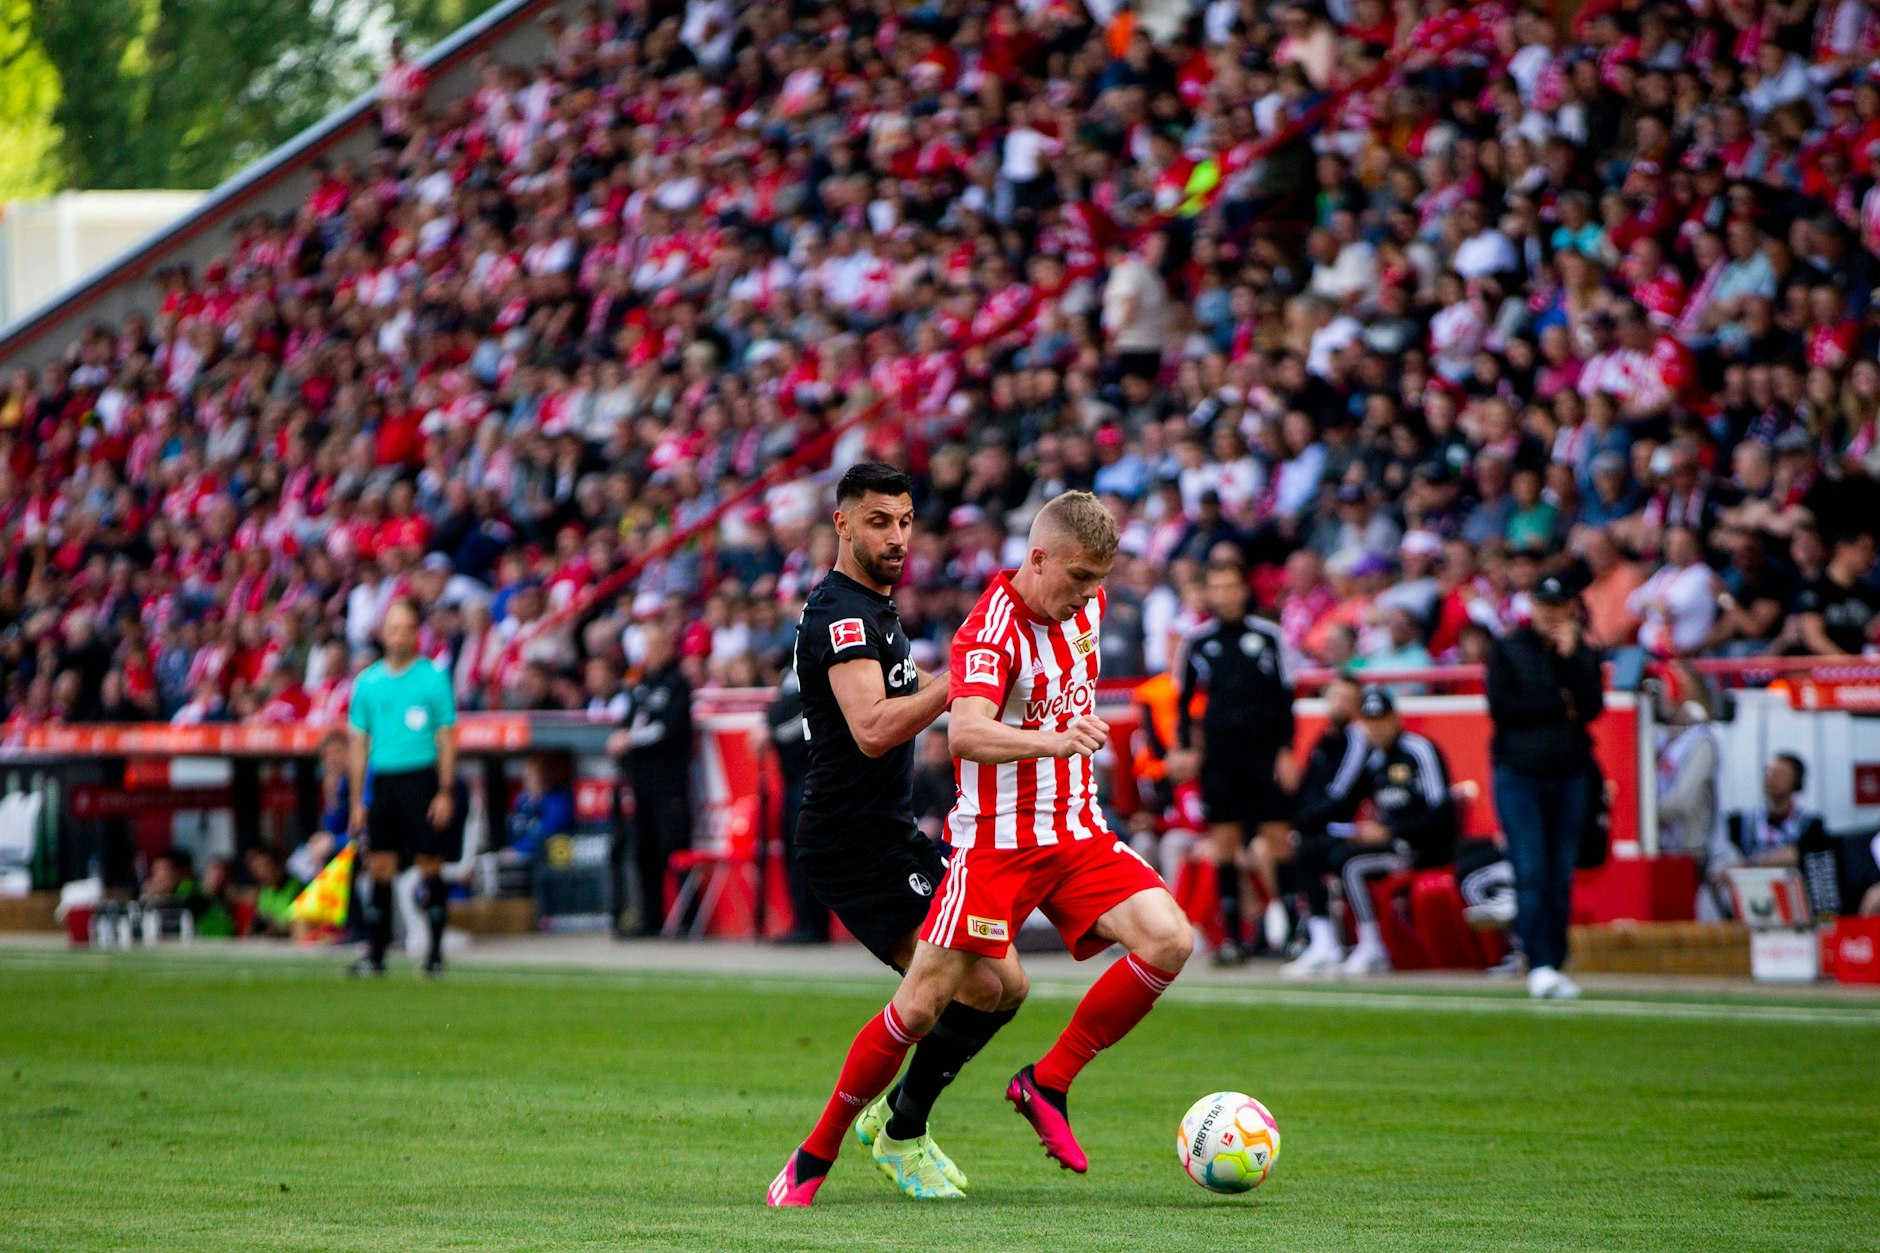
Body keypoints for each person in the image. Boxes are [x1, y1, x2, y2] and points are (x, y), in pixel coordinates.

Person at [769, 492, 1193, 1208]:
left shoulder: (1080, 608)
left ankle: (1047, 1081)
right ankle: (814, 1155)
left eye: (1100, 578)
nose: (1092, 594)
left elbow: (1065, 675)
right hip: (998, 846)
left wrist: (1066, 735)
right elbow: (964, 733)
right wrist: (1050, 739)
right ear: (1037, 558)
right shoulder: (988, 634)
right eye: (1081, 576)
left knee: (1169, 940)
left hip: (1077, 830)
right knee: (927, 1001)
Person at [787, 461, 1027, 1199]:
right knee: (965, 988)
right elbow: (871, 729)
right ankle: (894, 1135)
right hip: (851, 843)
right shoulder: (843, 615)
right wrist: (957, 682)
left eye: (905, 520)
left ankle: (898, 1118)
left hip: (890, 833)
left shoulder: (878, 607)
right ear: (843, 524)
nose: (896, 537)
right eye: (879, 522)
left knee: (1008, 983)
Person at [1486, 572, 1604, 1000]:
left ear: (1571, 608)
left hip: (1569, 772)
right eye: (1544, 605)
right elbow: (1503, 708)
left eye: (1558, 606)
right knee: (1531, 869)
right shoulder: (1507, 649)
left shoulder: (1583, 654)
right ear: (1531, 606)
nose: (1551, 614)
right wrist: (1559, 704)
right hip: (1520, 772)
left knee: (1560, 873)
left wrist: (1571, 661)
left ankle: (1554, 959)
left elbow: (1591, 707)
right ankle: (1538, 962)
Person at [1176, 558, 1296, 964]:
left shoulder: (1269, 636)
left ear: (1245, 589)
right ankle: (1232, 938)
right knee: (1223, 844)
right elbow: (1182, 702)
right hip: (1221, 757)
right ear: (1208, 593)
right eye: (1218, 587)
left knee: (1277, 839)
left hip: (1264, 754)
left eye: (1232, 586)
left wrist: (1285, 750)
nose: (1225, 595)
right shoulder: (1196, 642)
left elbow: (1285, 697)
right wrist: (1186, 748)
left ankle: (1293, 931)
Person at [1292, 687, 1459, 976]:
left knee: (1350, 863)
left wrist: (1392, 831)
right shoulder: (1375, 760)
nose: (1376, 728)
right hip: (1387, 842)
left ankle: (1372, 945)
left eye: (1382, 720)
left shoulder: (1419, 751)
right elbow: (1347, 802)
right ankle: (1324, 942)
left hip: (1422, 846)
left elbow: (1443, 814)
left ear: (1396, 718)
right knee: (1311, 850)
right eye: (1370, 722)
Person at [347, 597, 460, 977]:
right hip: (385, 782)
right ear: (383, 633)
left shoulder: (432, 677)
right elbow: (358, 744)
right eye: (393, 628)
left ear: (417, 633)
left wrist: (445, 790)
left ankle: (435, 955)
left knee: (430, 864)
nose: (400, 635)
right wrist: (357, 801)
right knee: (379, 865)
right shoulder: (367, 683)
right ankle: (376, 955)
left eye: (407, 628)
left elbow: (446, 737)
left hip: (422, 778)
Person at [607, 622, 692, 937]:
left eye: (654, 647)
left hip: (667, 780)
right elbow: (631, 721)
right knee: (644, 850)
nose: (648, 654)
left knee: (674, 846)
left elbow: (669, 729)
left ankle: (687, 919)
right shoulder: (641, 683)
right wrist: (623, 736)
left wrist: (629, 739)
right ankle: (650, 918)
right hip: (640, 780)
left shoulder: (677, 683)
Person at [1279, 670, 1367, 977]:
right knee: (1299, 853)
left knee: (1312, 853)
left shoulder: (1357, 740)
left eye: (1348, 699)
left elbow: (1340, 793)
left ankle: (1345, 942)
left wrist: (1305, 821)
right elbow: (1308, 788)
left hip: (1347, 826)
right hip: (1323, 827)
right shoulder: (1322, 740)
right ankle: (1319, 939)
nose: (1341, 704)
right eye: (1337, 696)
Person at [1709, 753, 1826, 915]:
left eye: (1781, 773)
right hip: (1750, 901)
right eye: (1769, 772)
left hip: (1795, 905)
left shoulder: (1810, 823)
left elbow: (1799, 853)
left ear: (1797, 781)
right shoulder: (1742, 821)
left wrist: (1748, 865)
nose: (1772, 778)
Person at [763, 669, 826, 944]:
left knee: (805, 852)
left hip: (810, 778)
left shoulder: (805, 678)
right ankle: (805, 921)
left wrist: (772, 732)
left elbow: (802, 722)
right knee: (798, 852)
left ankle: (811, 924)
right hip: (799, 780)